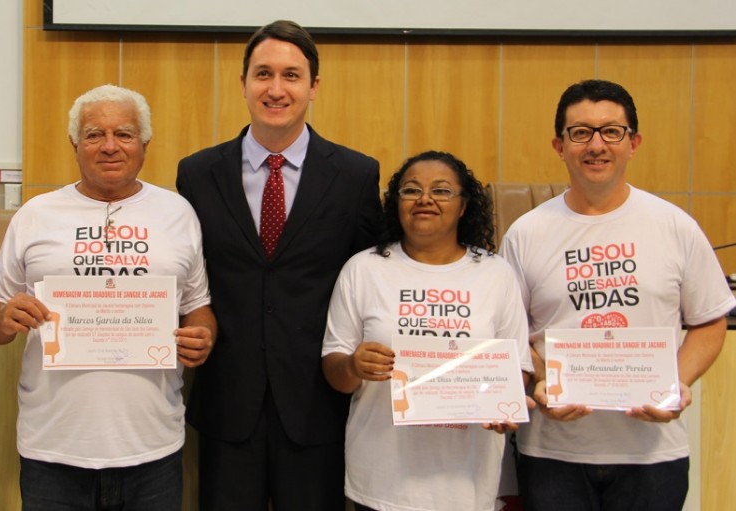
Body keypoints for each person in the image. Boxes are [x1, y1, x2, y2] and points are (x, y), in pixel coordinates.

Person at [176, 19, 384, 511]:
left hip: (317, 402)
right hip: (228, 401)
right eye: (262, 74)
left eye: (291, 76)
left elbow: (370, 278)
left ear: (314, 86)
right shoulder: (198, 172)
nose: (275, 88)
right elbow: (185, 276)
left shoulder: (356, 174)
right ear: (243, 83)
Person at [501, 79, 736, 510]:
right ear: (559, 145)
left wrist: (677, 382)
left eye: (611, 131)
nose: (596, 145)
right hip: (553, 453)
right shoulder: (525, 234)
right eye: (580, 132)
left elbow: (709, 319)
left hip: (651, 453)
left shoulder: (674, 226)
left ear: (634, 142)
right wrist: (543, 380)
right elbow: (511, 333)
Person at [0, 84, 216, 511]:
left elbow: (198, 307)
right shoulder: (35, 214)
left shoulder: (178, 213)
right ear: (75, 143)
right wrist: (5, 318)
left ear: (145, 144)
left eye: (124, 134)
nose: (110, 146)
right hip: (52, 450)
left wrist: (203, 336)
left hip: (153, 449)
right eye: (94, 134)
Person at [321, 150, 533, 511]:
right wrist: (355, 366)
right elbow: (335, 370)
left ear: (464, 205)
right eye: (410, 190)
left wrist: (505, 403)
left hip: (466, 479)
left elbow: (520, 369)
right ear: (396, 202)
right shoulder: (364, 269)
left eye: (441, 191)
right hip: (382, 478)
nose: (424, 199)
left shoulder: (496, 274)